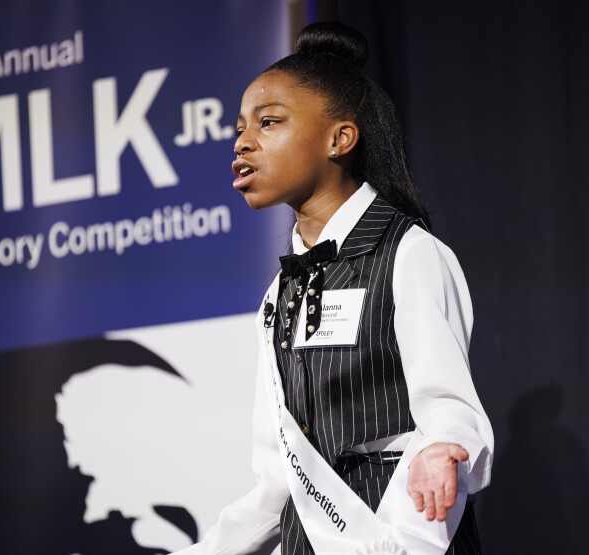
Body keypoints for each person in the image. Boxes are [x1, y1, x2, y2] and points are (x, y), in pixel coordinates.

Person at [173, 22, 493, 555]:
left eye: (269, 122)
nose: (243, 141)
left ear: (339, 138)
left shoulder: (408, 252)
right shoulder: (280, 293)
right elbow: (278, 481)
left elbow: (450, 408)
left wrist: (444, 449)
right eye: (239, 128)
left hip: (407, 531)